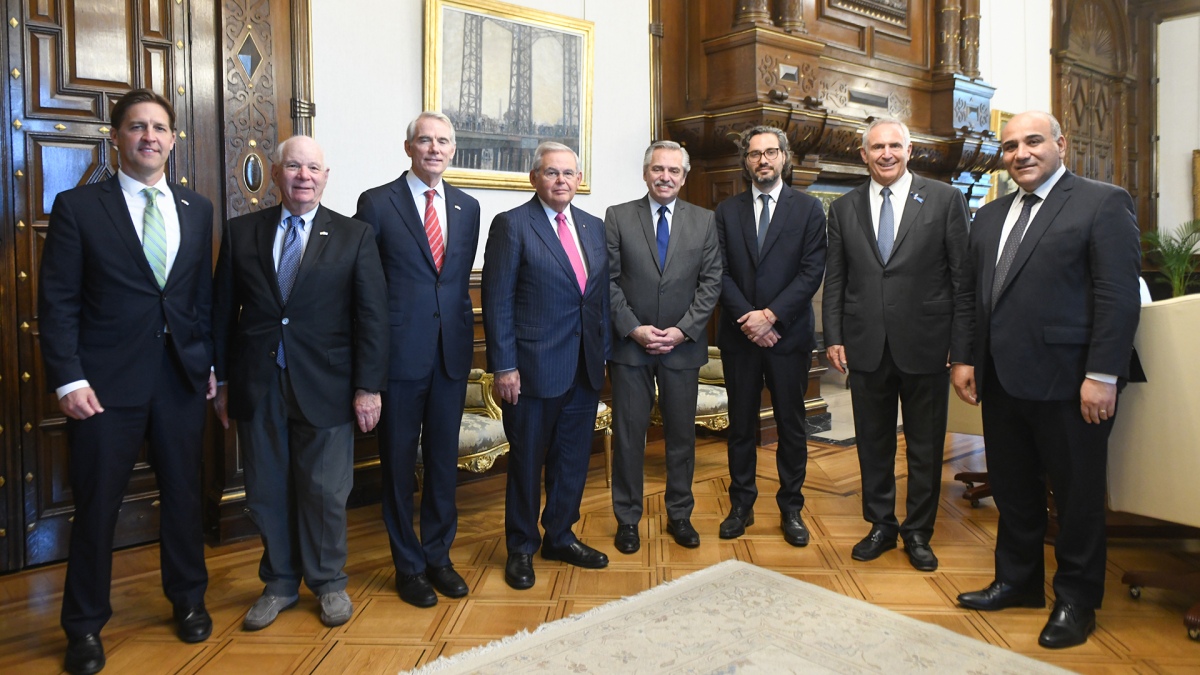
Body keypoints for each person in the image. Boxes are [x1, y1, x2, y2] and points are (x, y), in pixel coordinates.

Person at [38, 88, 216, 675]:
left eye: (159, 128)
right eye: (137, 127)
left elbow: (198, 300)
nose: (149, 137)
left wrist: (208, 363)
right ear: (116, 138)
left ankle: (188, 599)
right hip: (103, 388)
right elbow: (58, 302)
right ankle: (84, 627)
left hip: (181, 383)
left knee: (185, 500)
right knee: (96, 508)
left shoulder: (197, 208)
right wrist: (68, 379)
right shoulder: (78, 208)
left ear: (172, 139)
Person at [951, 111, 1141, 649]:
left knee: (1077, 497)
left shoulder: (1103, 202)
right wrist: (964, 357)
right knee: (1013, 490)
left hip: (1072, 381)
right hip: (1001, 380)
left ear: (1060, 143)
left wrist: (1102, 374)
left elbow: (1117, 296)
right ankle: (1018, 582)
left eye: (1033, 141)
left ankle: (1077, 601)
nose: (1021, 153)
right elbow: (971, 296)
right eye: (1010, 145)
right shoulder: (987, 217)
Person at [212, 135, 389, 632]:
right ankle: (280, 583)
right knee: (267, 490)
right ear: (275, 174)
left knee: (327, 491)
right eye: (293, 167)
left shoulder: (354, 236)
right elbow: (223, 314)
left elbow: (372, 317)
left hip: (329, 384)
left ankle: (329, 582)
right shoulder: (242, 231)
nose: (303, 176)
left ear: (326, 177)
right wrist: (223, 381)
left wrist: (368, 387)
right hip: (258, 382)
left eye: (313, 168)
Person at [822, 118, 971, 572]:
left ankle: (919, 532)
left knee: (925, 445)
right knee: (873, 442)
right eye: (876, 147)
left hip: (928, 344)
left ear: (910, 151)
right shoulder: (843, 208)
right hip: (866, 344)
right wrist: (834, 336)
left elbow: (963, 281)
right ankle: (881, 525)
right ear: (863, 154)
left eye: (894, 146)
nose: (886, 154)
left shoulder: (945, 200)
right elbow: (837, 280)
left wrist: (961, 346)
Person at [354, 112, 480, 608]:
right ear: (408, 147)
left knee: (443, 464)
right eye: (424, 140)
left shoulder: (468, 207)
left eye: (443, 141)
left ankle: (438, 557)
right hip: (398, 358)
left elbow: (455, 283)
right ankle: (407, 566)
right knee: (399, 468)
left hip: (451, 355)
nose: (434, 148)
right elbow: (365, 286)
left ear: (453, 150)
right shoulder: (377, 202)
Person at [482, 141, 611, 589]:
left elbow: (599, 301)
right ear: (534, 177)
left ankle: (560, 534)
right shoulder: (512, 225)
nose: (561, 181)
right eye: (552, 173)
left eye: (569, 173)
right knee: (527, 462)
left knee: (573, 460)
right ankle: (521, 546)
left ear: (579, 179)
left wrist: (604, 351)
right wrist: (504, 366)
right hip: (532, 370)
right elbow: (496, 300)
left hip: (584, 368)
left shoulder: (594, 228)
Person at [605, 140, 721, 553]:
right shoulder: (618, 217)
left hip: (682, 348)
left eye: (674, 171)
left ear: (684, 177)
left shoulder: (705, 222)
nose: (665, 177)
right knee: (629, 437)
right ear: (645, 172)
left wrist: (683, 330)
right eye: (658, 169)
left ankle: (680, 515)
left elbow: (711, 284)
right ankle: (628, 519)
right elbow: (610, 282)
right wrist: (634, 329)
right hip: (631, 349)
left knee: (680, 438)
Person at [713, 126, 827, 546]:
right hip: (740, 338)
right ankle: (741, 505)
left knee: (791, 426)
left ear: (784, 157)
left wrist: (772, 316)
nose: (763, 160)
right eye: (755, 153)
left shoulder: (810, 210)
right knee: (741, 426)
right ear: (746, 161)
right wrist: (750, 318)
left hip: (788, 338)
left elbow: (811, 272)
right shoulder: (727, 211)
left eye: (771, 152)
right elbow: (718, 272)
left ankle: (791, 508)